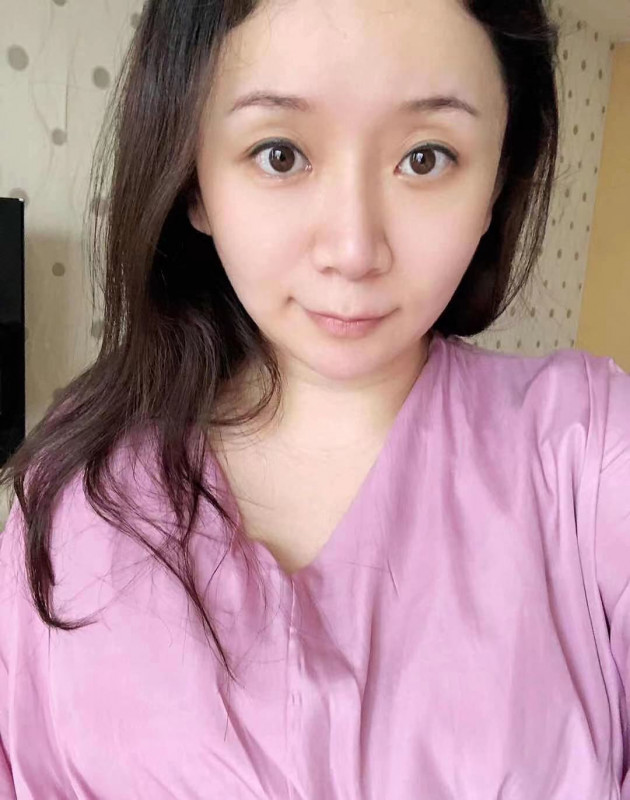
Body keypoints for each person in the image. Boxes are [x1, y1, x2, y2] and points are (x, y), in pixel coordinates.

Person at [1, 0, 629, 796]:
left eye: (427, 157)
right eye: (281, 154)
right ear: (193, 180)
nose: (353, 250)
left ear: (496, 184)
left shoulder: (590, 453)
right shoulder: (76, 484)